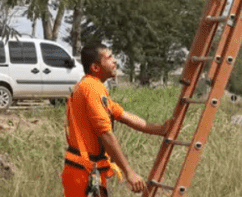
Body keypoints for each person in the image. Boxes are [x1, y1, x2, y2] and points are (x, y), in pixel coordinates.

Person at [63, 43, 173, 196]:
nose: (115, 61)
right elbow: (105, 133)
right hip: (82, 173)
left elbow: (123, 116)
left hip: (85, 170)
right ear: (95, 67)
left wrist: (160, 130)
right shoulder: (91, 88)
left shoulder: (93, 86)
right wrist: (129, 173)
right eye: (109, 57)